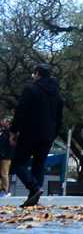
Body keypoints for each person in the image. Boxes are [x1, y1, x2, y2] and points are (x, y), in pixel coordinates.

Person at [10, 64, 64, 207]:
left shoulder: (31, 89)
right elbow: (59, 118)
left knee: (18, 162)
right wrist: (54, 134)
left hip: (30, 132)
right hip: (47, 135)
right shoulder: (57, 94)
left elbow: (21, 111)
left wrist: (14, 131)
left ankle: (34, 187)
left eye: (34, 74)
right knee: (39, 165)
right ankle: (33, 198)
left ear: (38, 74)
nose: (32, 76)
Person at [0, 117, 13, 197]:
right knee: (1, 173)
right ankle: (2, 189)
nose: (3, 122)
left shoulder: (10, 132)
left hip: (6, 156)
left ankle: (5, 191)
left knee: (4, 173)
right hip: (2, 155)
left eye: (5, 121)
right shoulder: (3, 132)